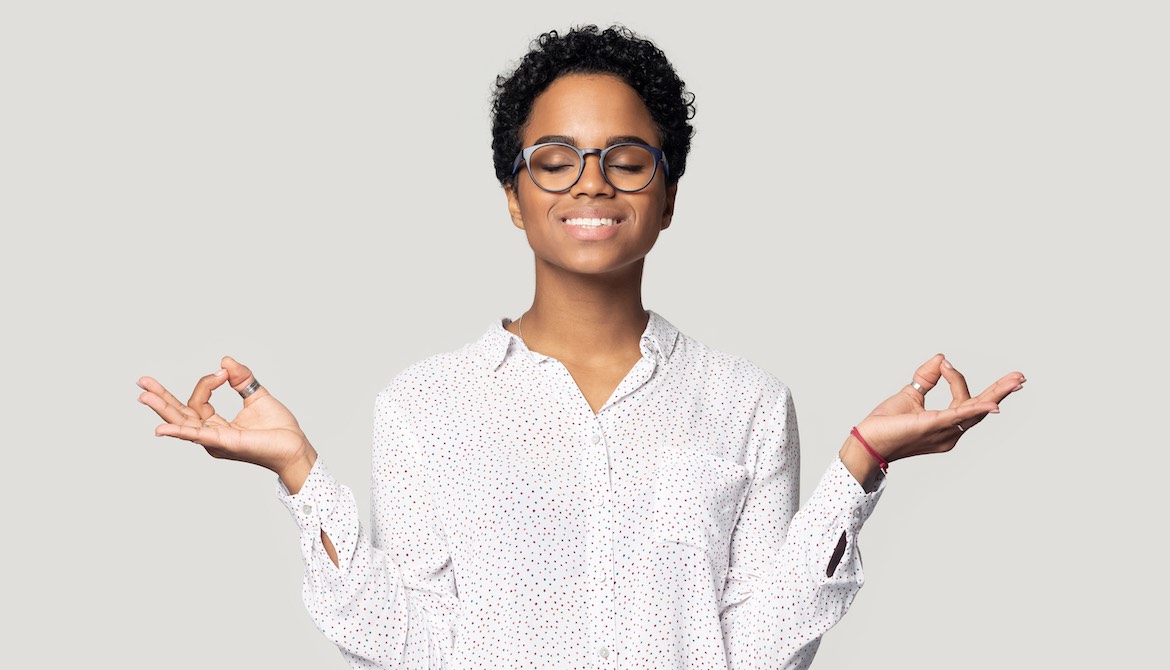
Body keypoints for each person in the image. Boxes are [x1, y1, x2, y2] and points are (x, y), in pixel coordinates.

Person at [137, 25, 1025, 670]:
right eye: (554, 158)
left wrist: (861, 466)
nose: (591, 181)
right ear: (514, 197)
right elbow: (412, 645)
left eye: (626, 157)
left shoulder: (747, 402)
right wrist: (301, 476)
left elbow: (757, 653)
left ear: (668, 196)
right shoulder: (423, 405)